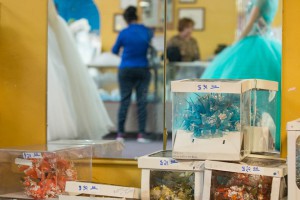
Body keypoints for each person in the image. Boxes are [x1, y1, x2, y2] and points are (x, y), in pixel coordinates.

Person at [201, 0, 281, 150]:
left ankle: (234, 135)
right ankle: (260, 136)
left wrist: (237, 41)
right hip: (266, 41)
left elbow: (251, 22)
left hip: (251, 43)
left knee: (238, 90)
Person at [112, 6, 153, 143]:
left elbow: (114, 50)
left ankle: (120, 134)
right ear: (137, 16)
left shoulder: (123, 33)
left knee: (125, 101)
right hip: (143, 68)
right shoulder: (146, 31)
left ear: (125, 19)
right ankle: (141, 134)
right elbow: (151, 48)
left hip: (126, 69)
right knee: (142, 101)